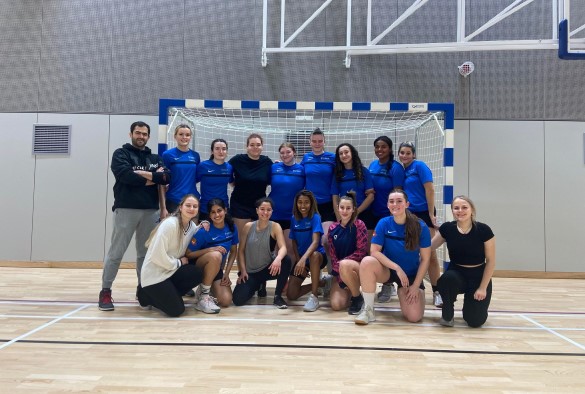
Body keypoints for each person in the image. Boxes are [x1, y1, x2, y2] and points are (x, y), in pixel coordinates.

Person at [99, 121, 170, 311]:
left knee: (145, 254)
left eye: (144, 134)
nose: (141, 136)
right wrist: (151, 177)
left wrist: (141, 174)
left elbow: (165, 178)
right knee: (116, 252)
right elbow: (125, 176)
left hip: (151, 211)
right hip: (126, 209)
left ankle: (143, 289)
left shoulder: (155, 157)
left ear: (148, 136)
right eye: (138, 133)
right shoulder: (120, 154)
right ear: (131, 134)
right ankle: (105, 291)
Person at [355, 189, 431, 325]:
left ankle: (403, 291)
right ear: (387, 205)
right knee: (367, 261)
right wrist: (397, 268)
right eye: (391, 201)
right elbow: (374, 251)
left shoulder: (421, 226)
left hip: (411, 275)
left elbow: (425, 259)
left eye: (399, 201)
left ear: (407, 204)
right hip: (389, 270)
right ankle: (368, 309)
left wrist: (415, 286)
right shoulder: (384, 223)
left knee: (414, 317)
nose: (395, 204)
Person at [136, 194, 207, 317]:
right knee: (177, 310)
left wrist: (204, 224)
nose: (191, 208)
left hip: (170, 272)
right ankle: (145, 294)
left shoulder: (191, 226)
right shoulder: (169, 224)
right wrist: (179, 263)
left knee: (197, 273)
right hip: (154, 276)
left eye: (195, 206)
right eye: (188, 205)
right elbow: (156, 256)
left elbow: (195, 233)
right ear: (180, 207)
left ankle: (167, 295)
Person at [431, 196, 495, 328]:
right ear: (453, 211)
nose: (460, 210)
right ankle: (447, 314)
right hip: (456, 272)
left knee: (475, 321)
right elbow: (429, 247)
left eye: (464, 207)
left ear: (472, 210)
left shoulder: (484, 230)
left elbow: (490, 261)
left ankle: (471, 306)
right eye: (456, 208)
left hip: (478, 276)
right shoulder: (447, 228)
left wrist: (482, 288)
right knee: (446, 279)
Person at [398, 141, 443, 308]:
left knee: (429, 253)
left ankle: (438, 292)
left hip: (424, 213)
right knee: (411, 252)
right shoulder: (403, 171)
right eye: (402, 152)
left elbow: (430, 189)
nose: (405, 155)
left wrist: (431, 214)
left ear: (414, 154)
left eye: (408, 152)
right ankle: (416, 287)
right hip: (409, 215)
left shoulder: (420, 166)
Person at [228, 133, 272, 298]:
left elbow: (268, 181)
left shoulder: (267, 163)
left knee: (260, 244)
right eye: (252, 144)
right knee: (244, 244)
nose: (255, 147)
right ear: (247, 146)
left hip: (259, 208)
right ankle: (244, 275)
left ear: (262, 146)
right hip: (240, 206)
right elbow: (231, 180)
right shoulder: (237, 160)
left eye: (258, 144)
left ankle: (261, 281)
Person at [232, 197, 292, 309]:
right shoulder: (248, 226)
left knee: (286, 260)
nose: (265, 212)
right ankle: (258, 285)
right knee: (238, 300)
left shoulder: (275, 226)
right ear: (257, 210)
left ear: (272, 212)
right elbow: (241, 251)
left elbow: (283, 247)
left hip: (268, 269)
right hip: (251, 272)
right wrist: (243, 271)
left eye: (268, 210)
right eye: (262, 209)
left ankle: (277, 297)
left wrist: (278, 259)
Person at [369, 136, 404, 303]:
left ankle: (389, 284)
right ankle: (380, 281)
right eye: (377, 147)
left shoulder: (396, 168)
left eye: (383, 147)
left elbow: (398, 194)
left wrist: (394, 214)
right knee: (375, 250)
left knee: (387, 251)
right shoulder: (372, 165)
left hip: (388, 215)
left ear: (390, 149)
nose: (380, 150)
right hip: (372, 213)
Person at [186, 198, 238, 310]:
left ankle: (204, 287)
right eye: (213, 212)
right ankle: (203, 296)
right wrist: (211, 249)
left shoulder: (232, 228)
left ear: (225, 210)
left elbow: (234, 251)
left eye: (219, 210)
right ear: (209, 215)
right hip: (198, 267)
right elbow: (189, 254)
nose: (217, 214)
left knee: (226, 301)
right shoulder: (204, 231)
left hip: (215, 268)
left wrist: (226, 274)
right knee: (216, 255)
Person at [286, 190, 328, 312]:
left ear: (311, 203)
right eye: (300, 202)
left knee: (314, 256)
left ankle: (314, 297)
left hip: (317, 257)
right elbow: (294, 241)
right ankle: (321, 283)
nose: (303, 206)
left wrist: (303, 259)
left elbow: (315, 242)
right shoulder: (294, 218)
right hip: (302, 259)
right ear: (296, 204)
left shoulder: (315, 217)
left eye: (306, 202)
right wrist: (299, 260)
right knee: (291, 294)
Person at [327, 192, 368, 315]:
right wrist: (340, 276)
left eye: (348, 208)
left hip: (356, 268)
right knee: (337, 305)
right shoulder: (332, 228)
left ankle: (357, 298)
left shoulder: (359, 225)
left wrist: (342, 265)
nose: (345, 211)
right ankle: (352, 291)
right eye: (342, 207)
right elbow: (333, 255)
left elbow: (361, 252)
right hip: (340, 272)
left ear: (353, 209)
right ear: (338, 208)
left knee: (345, 264)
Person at [268, 142, 305, 259]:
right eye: (282, 153)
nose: (285, 155)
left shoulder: (301, 170)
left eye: (288, 152)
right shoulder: (273, 168)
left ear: (294, 152)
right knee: (273, 250)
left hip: (292, 216)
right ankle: (277, 276)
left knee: (289, 249)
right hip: (273, 215)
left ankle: (289, 277)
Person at [301, 128, 336, 239]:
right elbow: (297, 169)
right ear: (310, 142)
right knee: (311, 239)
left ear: (324, 142)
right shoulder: (306, 158)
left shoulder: (332, 158)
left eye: (320, 141)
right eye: (314, 141)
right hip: (310, 205)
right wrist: (280, 164)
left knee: (325, 239)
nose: (317, 144)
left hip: (328, 204)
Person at [331, 143, 375, 229]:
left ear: (352, 153)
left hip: (363, 213)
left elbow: (371, 196)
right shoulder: (337, 174)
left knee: (365, 242)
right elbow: (335, 197)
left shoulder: (364, 171)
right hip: (344, 214)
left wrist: (356, 212)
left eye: (346, 152)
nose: (344, 155)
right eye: (341, 153)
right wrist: (339, 218)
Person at [160, 124, 200, 217]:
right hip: (173, 200)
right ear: (175, 136)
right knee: (174, 231)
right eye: (181, 134)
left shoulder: (195, 156)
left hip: (192, 201)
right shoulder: (167, 155)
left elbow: (195, 177)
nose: (184, 137)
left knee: (191, 231)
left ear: (190, 137)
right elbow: (162, 181)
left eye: (187, 135)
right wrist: (163, 207)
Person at [196, 138, 234, 221]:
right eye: (217, 149)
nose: (221, 151)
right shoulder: (203, 166)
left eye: (223, 149)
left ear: (226, 151)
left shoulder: (229, 167)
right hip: (206, 209)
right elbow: (192, 182)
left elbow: (232, 183)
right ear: (212, 151)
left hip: (223, 209)